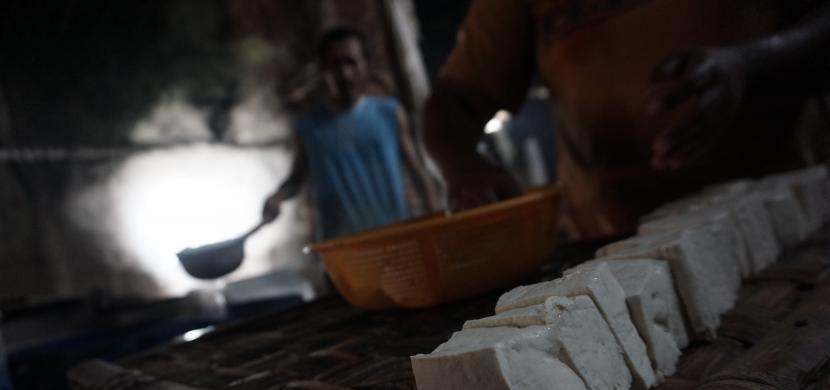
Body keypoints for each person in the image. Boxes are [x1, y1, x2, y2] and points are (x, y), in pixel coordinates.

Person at [423, 0, 830, 239]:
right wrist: (464, 167)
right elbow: (455, 100)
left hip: (790, 225)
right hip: (613, 243)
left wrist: (749, 68)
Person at [262, 26, 438, 242]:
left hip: (397, 238)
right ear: (323, 69)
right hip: (341, 250)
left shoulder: (389, 113)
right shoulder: (309, 126)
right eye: (335, 64)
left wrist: (435, 220)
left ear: (365, 65)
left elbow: (417, 171)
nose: (344, 74)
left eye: (351, 63)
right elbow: (295, 180)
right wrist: (277, 197)